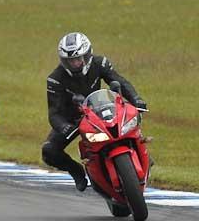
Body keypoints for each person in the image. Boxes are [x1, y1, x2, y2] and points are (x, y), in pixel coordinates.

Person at [43, 32, 147, 191]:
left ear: (87, 55)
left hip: (101, 108)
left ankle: (143, 154)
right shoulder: (55, 79)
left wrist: (136, 99)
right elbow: (54, 113)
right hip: (73, 119)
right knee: (49, 151)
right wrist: (64, 127)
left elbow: (119, 81)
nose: (75, 63)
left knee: (131, 122)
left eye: (78, 59)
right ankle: (77, 171)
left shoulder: (100, 63)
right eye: (70, 60)